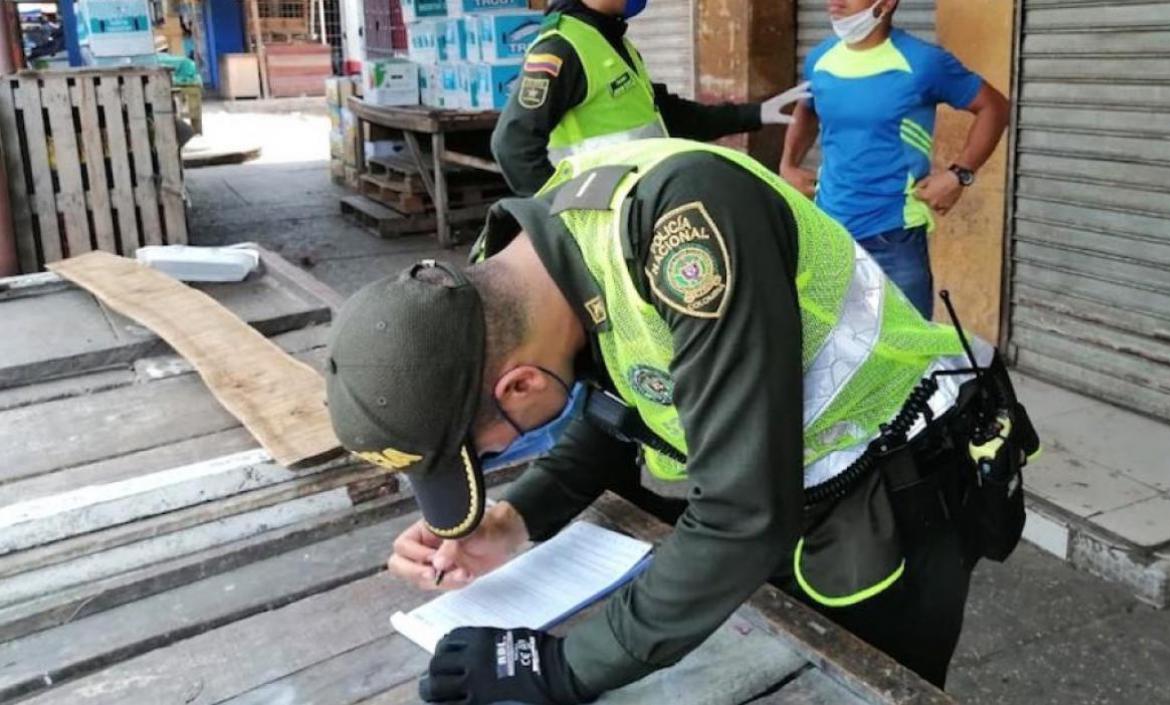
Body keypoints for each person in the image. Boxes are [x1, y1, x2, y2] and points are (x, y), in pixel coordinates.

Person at [325, 138, 1039, 704]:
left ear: (517, 382)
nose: (492, 461)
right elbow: (613, 410)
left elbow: (738, 516)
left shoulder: (686, 230)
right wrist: (514, 519)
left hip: (895, 484)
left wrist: (558, 668)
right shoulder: (527, 274)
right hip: (795, 483)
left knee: (866, 682)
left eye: (483, 452)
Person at [779, 0, 1009, 318]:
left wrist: (959, 175)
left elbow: (994, 107)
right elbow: (808, 106)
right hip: (828, 234)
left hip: (894, 240)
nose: (835, 2)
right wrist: (788, 164)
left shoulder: (923, 62)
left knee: (905, 358)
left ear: (886, 3)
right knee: (827, 355)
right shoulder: (820, 58)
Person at [491, 0, 809, 195]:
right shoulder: (562, 48)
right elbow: (512, 145)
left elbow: (670, 117)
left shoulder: (613, 42)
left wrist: (755, 114)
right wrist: (559, 213)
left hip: (631, 210)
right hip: (595, 222)